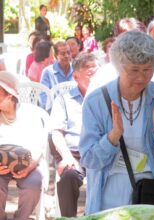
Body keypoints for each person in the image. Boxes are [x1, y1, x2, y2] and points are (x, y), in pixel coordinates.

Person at [79, 31, 154, 214]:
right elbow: (89, 159)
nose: (142, 78)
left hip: (151, 198)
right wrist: (112, 137)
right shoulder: (96, 102)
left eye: (147, 69)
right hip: (109, 199)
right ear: (119, 67)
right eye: (134, 70)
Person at [50, 53, 98, 217]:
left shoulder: (104, 98)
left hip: (99, 153)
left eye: (97, 73)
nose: (95, 78)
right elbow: (56, 132)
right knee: (68, 176)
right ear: (76, 76)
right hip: (74, 154)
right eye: (90, 74)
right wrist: (67, 156)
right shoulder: (64, 99)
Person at [0, 71, 47, 220]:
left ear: (9, 95)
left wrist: (30, 166)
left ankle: (21, 218)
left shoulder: (30, 114)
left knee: (33, 185)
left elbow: (38, 144)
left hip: (27, 162)